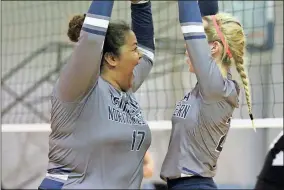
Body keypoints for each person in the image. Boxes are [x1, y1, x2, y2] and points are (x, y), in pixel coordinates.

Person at [38, 0, 155, 189]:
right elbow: (92, 39)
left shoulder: (126, 86)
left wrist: (140, 4)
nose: (139, 55)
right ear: (111, 58)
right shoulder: (79, 87)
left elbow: (148, 51)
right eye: (134, 49)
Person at [160, 0, 254, 189]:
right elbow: (204, 23)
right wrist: (208, 18)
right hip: (185, 184)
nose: (188, 49)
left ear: (213, 48)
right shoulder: (210, 88)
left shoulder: (216, 88)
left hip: (193, 184)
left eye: (195, 46)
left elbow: (189, 24)